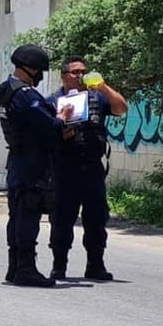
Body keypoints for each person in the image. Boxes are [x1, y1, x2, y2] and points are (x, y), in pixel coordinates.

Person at [0, 44, 74, 288]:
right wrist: (62, 119)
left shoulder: (7, 89)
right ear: (29, 68)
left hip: (19, 161)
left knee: (17, 215)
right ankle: (25, 269)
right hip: (31, 164)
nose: (41, 75)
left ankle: (15, 267)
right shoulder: (25, 95)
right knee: (27, 215)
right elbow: (48, 126)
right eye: (39, 70)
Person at [47, 57, 128, 281]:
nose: (80, 75)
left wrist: (103, 87)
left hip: (92, 168)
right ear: (64, 76)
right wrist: (61, 133)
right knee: (62, 219)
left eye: (84, 71)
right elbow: (45, 134)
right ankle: (59, 265)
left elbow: (121, 108)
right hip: (64, 169)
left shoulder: (97, 98)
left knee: (96, 219)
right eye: (75, 72)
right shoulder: (53, 102)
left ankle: (95, 265)